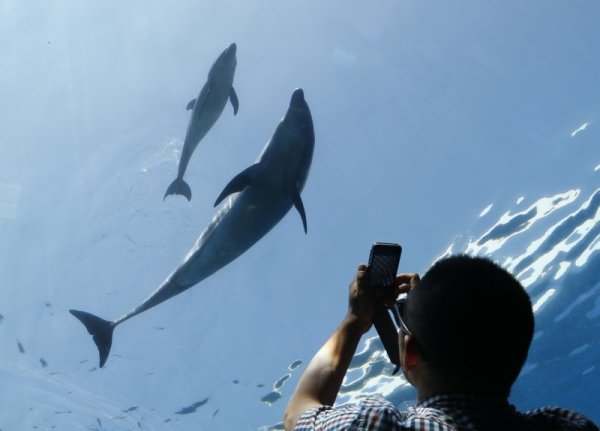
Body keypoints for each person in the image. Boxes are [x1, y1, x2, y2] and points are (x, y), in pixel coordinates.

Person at [284, 254, 598, 430]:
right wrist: (429, 309)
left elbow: (299, 413)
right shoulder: (566, 426)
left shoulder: (379, 426)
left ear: (409, 357)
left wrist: (354, 321)